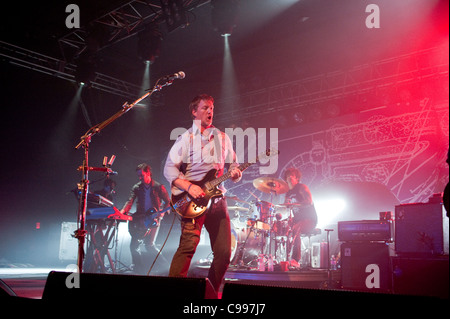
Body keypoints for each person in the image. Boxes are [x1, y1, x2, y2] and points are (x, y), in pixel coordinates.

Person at [164, 94, 242, 296]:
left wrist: (235, 172)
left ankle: (212, 294)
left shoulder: (222, 137)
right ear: (194, 111)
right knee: (188, 246)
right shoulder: (185, 139)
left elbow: (233, 162)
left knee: (224, 253)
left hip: (218, 200)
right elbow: (169, 169)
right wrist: (189, 187)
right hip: (193, 200)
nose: (210, 112)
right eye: (206, 108)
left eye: (212, 108)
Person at [121, 163, 171, 275]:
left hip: (154, 220)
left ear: (148, 173)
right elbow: (130, 200)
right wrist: (122, 212)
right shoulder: (137, 187)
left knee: (149, 245)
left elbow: (168, 201)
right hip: (140, 220)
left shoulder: (158, 187)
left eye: (142, 175)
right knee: (134, 246)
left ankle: (166, 267)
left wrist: (161, 214)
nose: (140, 178)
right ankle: (139, 270)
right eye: (138, 176)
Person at [283, 167, 317, 267]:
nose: (289, 177)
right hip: (297, 219)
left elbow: (309, 201)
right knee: (284, 226)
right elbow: (285, 207)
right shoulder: (288, 193)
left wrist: (295, 204)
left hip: (309, 219)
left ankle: (296, 260)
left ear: (297, 178)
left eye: (292, 175)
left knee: (295, 229)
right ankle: (283, 257)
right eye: (288, 175)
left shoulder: (302, 187)